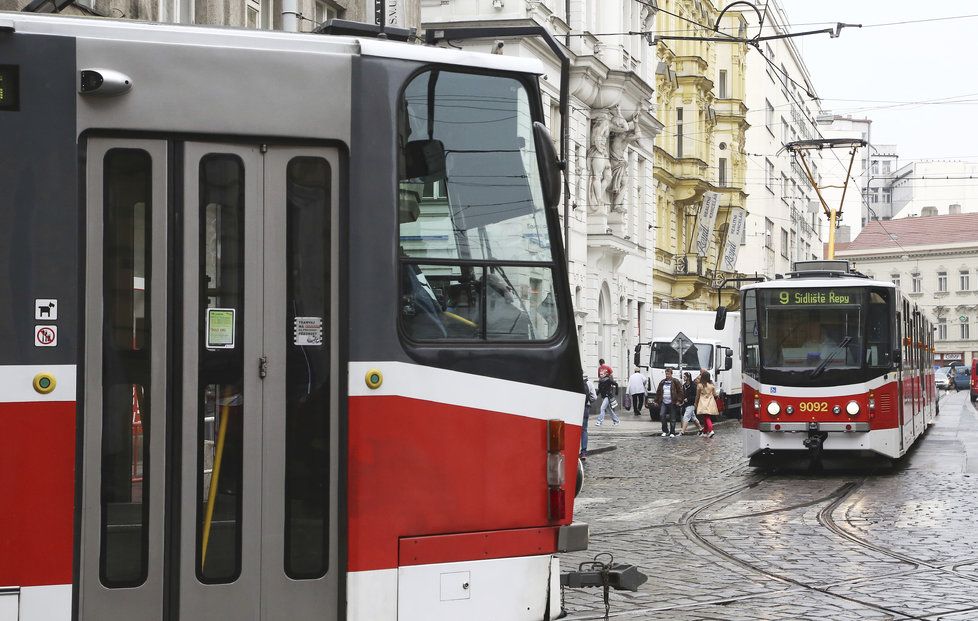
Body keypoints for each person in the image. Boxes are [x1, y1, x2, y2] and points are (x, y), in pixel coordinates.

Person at [653, 368, 683, 437]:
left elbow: (680, 391)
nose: (667, 375)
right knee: (662, 415)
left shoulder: (675, 381)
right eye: (666, 374)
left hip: (672, 402)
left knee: (672, 417)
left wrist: (679, 400)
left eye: (668, 374)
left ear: (671, 374)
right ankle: (665, 430)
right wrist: (656, 401)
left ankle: (672, 432)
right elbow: (658, 392)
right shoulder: (662, 382)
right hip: (664, 401)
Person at [678, 371, 703, 436]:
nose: (684, 378)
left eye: (685, 377)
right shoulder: (684, 386)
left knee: (686, 416)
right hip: (686, 404)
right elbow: (682, 394)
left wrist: (688, 399)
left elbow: (696, 396)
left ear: (688, 377)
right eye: (683, 376)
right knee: (693, 418)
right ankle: (700, 429)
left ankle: (682, 432)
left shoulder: (693, 386)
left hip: (691, 404)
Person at [696, 370, 720, 437]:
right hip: (710, 402)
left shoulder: (700, 385)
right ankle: (705, 432)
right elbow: (715, 394)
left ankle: (711, 430)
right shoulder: (711, 385)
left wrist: (696, 403)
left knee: (706, 417)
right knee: (706, 417)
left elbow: (697, 396)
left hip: (703, 402)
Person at [580, 373, 597, 458]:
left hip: (574, 408)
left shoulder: (574, 382)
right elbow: (594, 397)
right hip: (585, 407)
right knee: (584, 429)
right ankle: (583, 452)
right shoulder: (589, 383)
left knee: (574, 429)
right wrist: (588, 401)